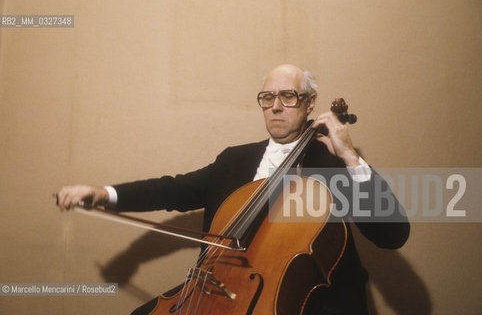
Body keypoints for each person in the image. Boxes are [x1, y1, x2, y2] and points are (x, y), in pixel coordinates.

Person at [57, 64, 410, 314]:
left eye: (288, 96)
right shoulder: (234, 160)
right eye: (268, 96)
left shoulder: (334, 163)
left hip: (312, 299)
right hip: (216, 289)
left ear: (310, 104)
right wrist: (104, 194)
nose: (275, 106)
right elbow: (172, 190)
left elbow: (392, 233)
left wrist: (349, 155)